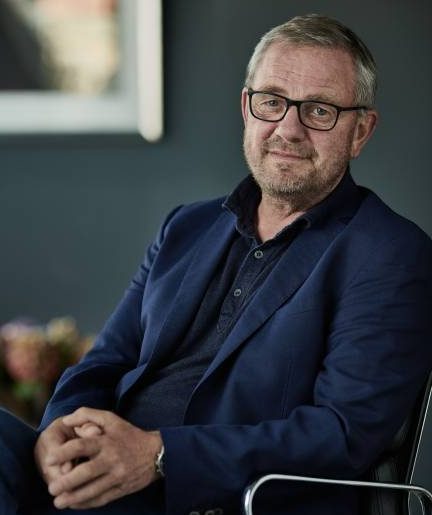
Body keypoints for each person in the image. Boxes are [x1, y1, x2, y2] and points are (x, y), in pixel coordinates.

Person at [1, 13, 431, 515]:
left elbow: (342, 434)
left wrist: (159, 456)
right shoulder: (186, 226)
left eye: (319, 110)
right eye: (272, 102)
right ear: (247, 110)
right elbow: (105, 361)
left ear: (360, 131)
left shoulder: (391, 255)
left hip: (213, 496)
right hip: (103, 472)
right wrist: (60, 432)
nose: (288, 129)